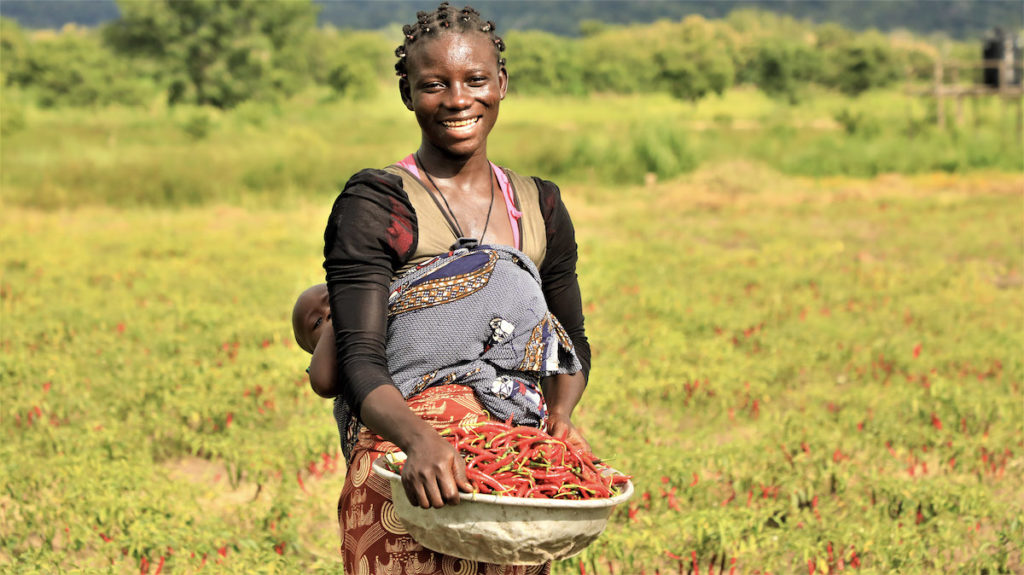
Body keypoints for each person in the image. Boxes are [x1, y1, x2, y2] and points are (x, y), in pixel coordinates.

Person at [317, 3, 592, 573]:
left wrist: (559, 419)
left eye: (476, 80)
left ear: (501, 85)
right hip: (405, 468)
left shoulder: (538, 206)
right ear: (406, 93)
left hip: (510, 474)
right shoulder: (378, 204)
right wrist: (419, 440)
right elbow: (360, 358)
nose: (458, 99)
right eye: (434, 84)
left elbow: (570, 340)